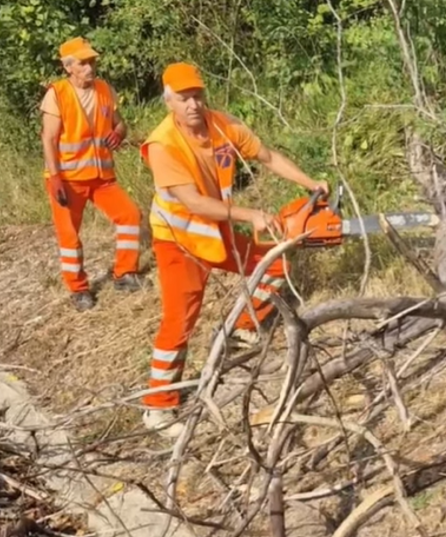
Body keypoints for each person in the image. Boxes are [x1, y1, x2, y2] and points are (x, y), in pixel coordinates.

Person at [138, 62, 328, 431]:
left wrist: (311, 183)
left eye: (197, 95)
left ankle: (242, 329)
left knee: (274, 264)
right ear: (168, 101)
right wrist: (250, 214)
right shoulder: (163, 145)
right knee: (180, 322)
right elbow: (193, 203)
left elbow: (267, 157)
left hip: (214, 229)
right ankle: (157, 407)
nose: (193, 104)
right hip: (180, 240)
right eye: (183, 98)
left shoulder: (223, 125)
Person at [41, 37, 143, 311]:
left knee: (130, 216)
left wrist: (118, 133)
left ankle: (125, 273)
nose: (90, 67)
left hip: (101, 178)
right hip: (69, 180)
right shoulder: (57, 94)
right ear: (69, 67)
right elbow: (48, 139)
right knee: (70, 237)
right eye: (84, 63)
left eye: (92, 61)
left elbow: (121, 125)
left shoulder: (104, 89)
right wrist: (55, 178)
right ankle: (79, 290)